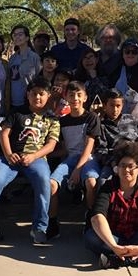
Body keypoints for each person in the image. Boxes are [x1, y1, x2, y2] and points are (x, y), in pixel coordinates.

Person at [0, 78, 60, 246]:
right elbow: (4, 134)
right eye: (34, 93)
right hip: (11, 158)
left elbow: (51, 145)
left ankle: (39, 228)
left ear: (48, 96)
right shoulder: (17, 112)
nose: (37, 97)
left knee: (44, 182)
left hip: (36, 159)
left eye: (41, 94)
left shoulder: (52, 118)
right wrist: (8, 154)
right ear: (27, 94)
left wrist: (34, 156)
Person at [85, 142, 138, 269]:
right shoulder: (108, 187)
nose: (126, 170)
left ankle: (118, 259)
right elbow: (97, 216)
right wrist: (114, 246)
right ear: (117, 168)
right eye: (122, 166)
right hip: (114, 236)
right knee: (91, 237)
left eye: (131, 166)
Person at [47, 81, 102, 240]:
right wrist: (46, 154)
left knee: (91, 181)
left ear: (85, 97)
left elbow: (88, 147)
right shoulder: (62, 121)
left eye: (79, 95)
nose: (75, 98)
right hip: (70, 159)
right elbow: (65, 149)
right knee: (52, 183)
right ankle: (53, 222)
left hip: (88, 159)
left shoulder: (92, 117)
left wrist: (78, 170)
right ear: (66, 97)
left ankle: (91, 219)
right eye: (71, 95)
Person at [89, 89, 138, 207]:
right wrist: (114, 164)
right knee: (103, 182)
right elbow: (100, 150)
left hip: (135, 159)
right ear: (105, 105)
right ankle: (99, 215)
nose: (115, 109)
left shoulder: (131, 119)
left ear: (122, 105)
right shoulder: (101, 125)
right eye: (111, 105)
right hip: (113, 161)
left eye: (118, 105)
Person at [7, 24, 42, 115]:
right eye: (15, 35)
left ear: (27, 38)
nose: (17, 37)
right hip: (12, 102)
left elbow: (40, 78)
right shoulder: (12, 58)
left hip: (28, 101)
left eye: (20, 34)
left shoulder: (34, 57)